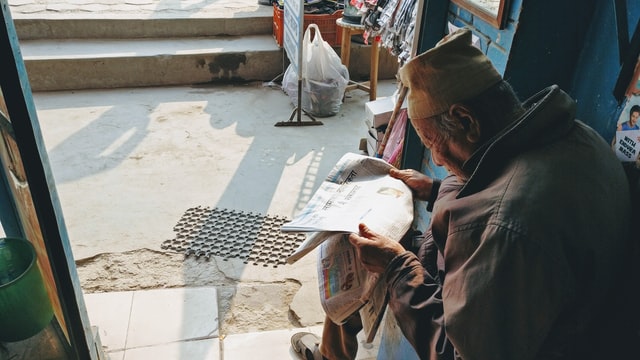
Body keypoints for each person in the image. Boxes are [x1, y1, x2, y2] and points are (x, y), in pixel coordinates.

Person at [291, 28, 637, 360]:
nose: (437, 160)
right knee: (356, 243)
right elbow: (502, 183)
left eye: (432, 144)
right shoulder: (574, 136)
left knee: (361, 254)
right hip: (552, 302)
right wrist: (437, 189)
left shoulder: (510, 229)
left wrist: (398, 268)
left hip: (546, 338)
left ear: (467, 121)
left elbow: (457, 353)